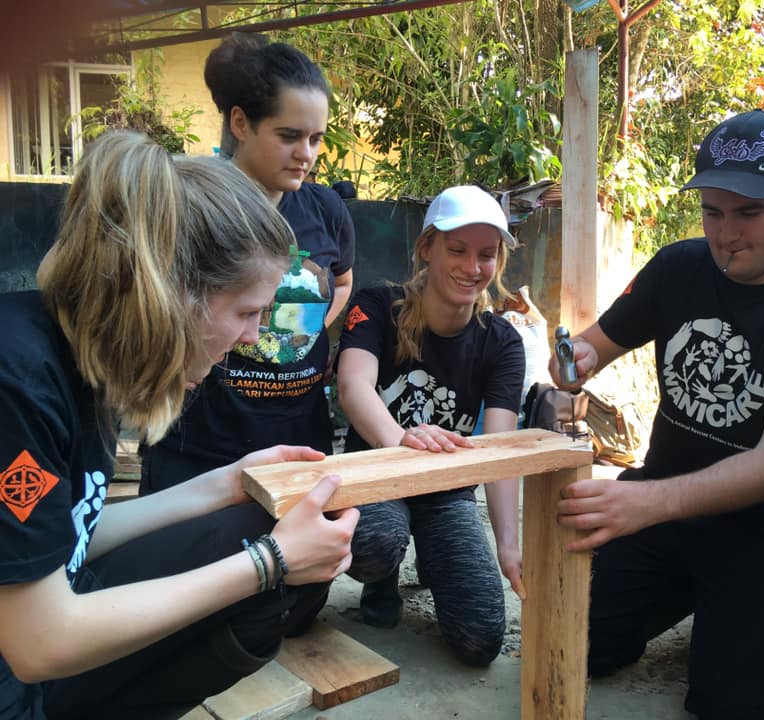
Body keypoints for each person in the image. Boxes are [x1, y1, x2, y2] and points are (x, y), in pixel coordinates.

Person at [0, 130, 359, 720]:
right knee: (263, 566)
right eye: (246, 312)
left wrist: (227, 482)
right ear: (170, 295)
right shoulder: (19, 383)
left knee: (251, 520)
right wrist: (268, 561)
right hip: (20, 671)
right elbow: (40, 643)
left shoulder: (81, 359)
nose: (252, 337)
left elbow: (70, 536)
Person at [550, 110, 764, 719]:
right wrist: (573, 360)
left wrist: (642, 503)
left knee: (733, 706)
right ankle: (694, 599)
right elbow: (595, 344)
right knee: (569, 642)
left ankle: (732, 614)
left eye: (749, 212)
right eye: (712, 212)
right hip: (666, 514)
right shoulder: (679, 266)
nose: (726, 233)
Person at [141, 32, 355, 492]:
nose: (307, 154)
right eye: (289, 136)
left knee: (301, 559)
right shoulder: (190, 203)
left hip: (297, 439)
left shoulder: (325, 210)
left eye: (316, 138)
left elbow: (341, 281)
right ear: (240, 122)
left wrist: (297, 334)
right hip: (199, 445)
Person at [336, 185, 527, 666]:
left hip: (447, 489)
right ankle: (383, 579)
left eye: (487, 254)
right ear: (427, 248)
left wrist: (508, 547)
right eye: (457, 250)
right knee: (376, 542)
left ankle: (434, 554)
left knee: (482, 639)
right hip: (378, 472)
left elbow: (500, 450)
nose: (473, 267)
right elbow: (353, 386)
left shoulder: (502, 342)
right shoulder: (377, 304)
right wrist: (400, 438)